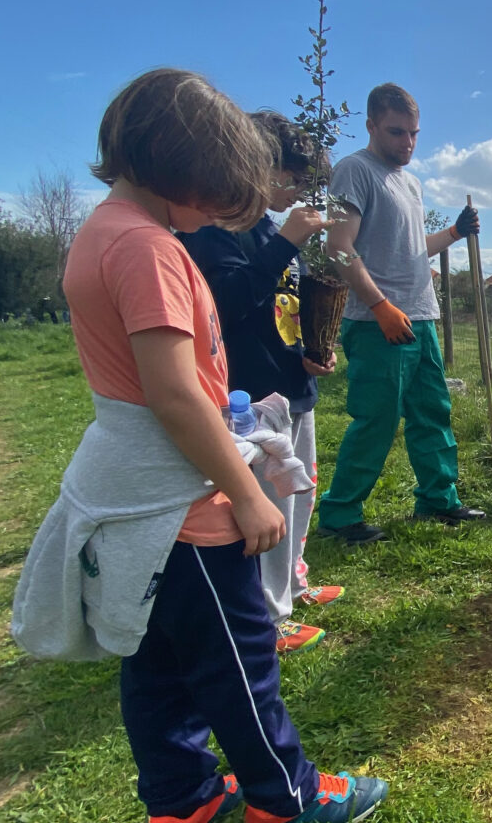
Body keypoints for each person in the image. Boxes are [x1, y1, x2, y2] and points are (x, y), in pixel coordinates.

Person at [17, 68, 385, 823]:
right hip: (181, 500)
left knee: (156, 661)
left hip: (140, 496)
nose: (221, 213)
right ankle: (289, 799)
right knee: (240, 659)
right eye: (219, 193)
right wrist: (246, 494)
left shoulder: (105, 231)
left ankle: (181, 798)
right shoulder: (148, 248)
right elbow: (174, 391)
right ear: (181, 166)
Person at [179, 110, 364, 658]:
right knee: (264, 507)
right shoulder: (216, 231)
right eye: (294, 177)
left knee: (298, 494)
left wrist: (310, 354)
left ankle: (294, 584)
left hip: (289, 384)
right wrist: (285, 242)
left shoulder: (266, 231)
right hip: (250, 397)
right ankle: (267, 618)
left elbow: (281, 308)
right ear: (258, 167)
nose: (301, 191)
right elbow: (229, 306)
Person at [315, 82, 485, 539]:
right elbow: (338, 248)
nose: (407, 143)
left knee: (433, 411)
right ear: (371, 125)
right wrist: (380, 306)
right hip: (377, 323)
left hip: (422, 317)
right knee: (377, 419)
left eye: (413, 133)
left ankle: (437, 500)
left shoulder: (411, 182)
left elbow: (412, 249)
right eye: (396, 132)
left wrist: (453, 232)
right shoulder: (354, 171)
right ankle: (340, 515)